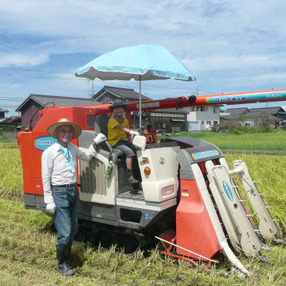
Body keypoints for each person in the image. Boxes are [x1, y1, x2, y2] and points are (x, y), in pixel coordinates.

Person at [41, 118, 107, 276]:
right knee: (65, 232)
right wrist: (49, 200)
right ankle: (62, 264)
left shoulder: (72, 147)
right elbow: (45, 178)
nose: (66, 134)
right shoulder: (49, 152)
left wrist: (95, 143)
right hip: (59, 192)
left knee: (73, 229)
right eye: (63, 131)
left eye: (69, 131)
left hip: (72, 191)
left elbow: (87, 156)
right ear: (57, 133)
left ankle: (67, 258)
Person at [107, 99, 139, 184]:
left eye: (120, 108)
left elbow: (126, 130)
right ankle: (129, 177)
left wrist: (134, 132)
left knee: (137, 150)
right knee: (129, 152)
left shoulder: (125, 120)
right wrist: (130, 131)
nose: (118, 110)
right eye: (115, 108)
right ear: (113, 111)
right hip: (115, 142)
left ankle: (137, 173)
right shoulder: (112, 120)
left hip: (123, 141)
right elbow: (120, 127)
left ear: (124, 109)